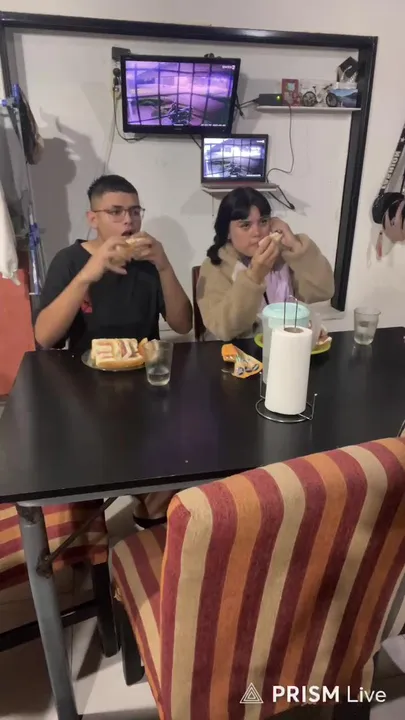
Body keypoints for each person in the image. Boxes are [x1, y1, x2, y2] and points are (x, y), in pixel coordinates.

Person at [35, 174, 192, 526]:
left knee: (185, 450)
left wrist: (165, 264)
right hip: (85, 389)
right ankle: (89, 528)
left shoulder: (147, 261)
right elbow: (44, 336)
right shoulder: (69, 260)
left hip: (145, 385)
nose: (128, 221)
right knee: (87, 465)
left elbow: (183, 324)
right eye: (116, 212)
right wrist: (88, 275)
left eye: (135, 211)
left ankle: (149, 513)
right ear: (93, 218)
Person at [197, 187, 334, 341]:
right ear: (227, 231)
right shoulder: (215, 266)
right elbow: (223, 329)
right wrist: (254, 276)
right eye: (245, 225)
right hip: (239, 350)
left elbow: (324, 291)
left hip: (287, 344)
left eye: (263, 222)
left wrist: (294, 245)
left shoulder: (283, 256)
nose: (257, 233)